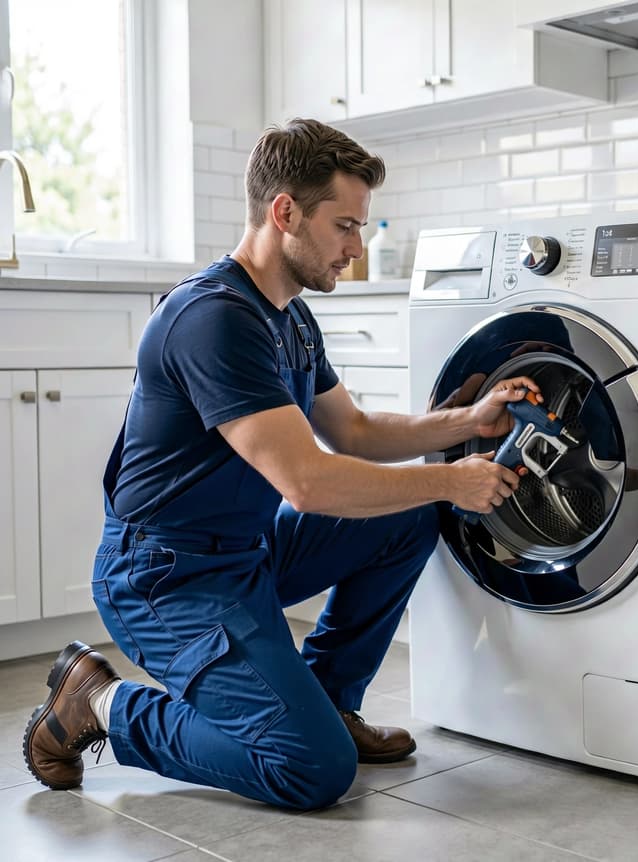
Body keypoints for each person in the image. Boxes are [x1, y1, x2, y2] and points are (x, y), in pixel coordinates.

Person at [22, 118, 541, 811]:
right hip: (165, 578)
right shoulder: (213, 318)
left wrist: (467, 422)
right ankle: (99, 704)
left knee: (410, 513)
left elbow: (353, 431)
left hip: (247, 551)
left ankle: (328, 701)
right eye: (345, 226)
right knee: (311, 769)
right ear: (285, 212)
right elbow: (308, 482)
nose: (356, 249)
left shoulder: (290, 316)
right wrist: (452, 479)